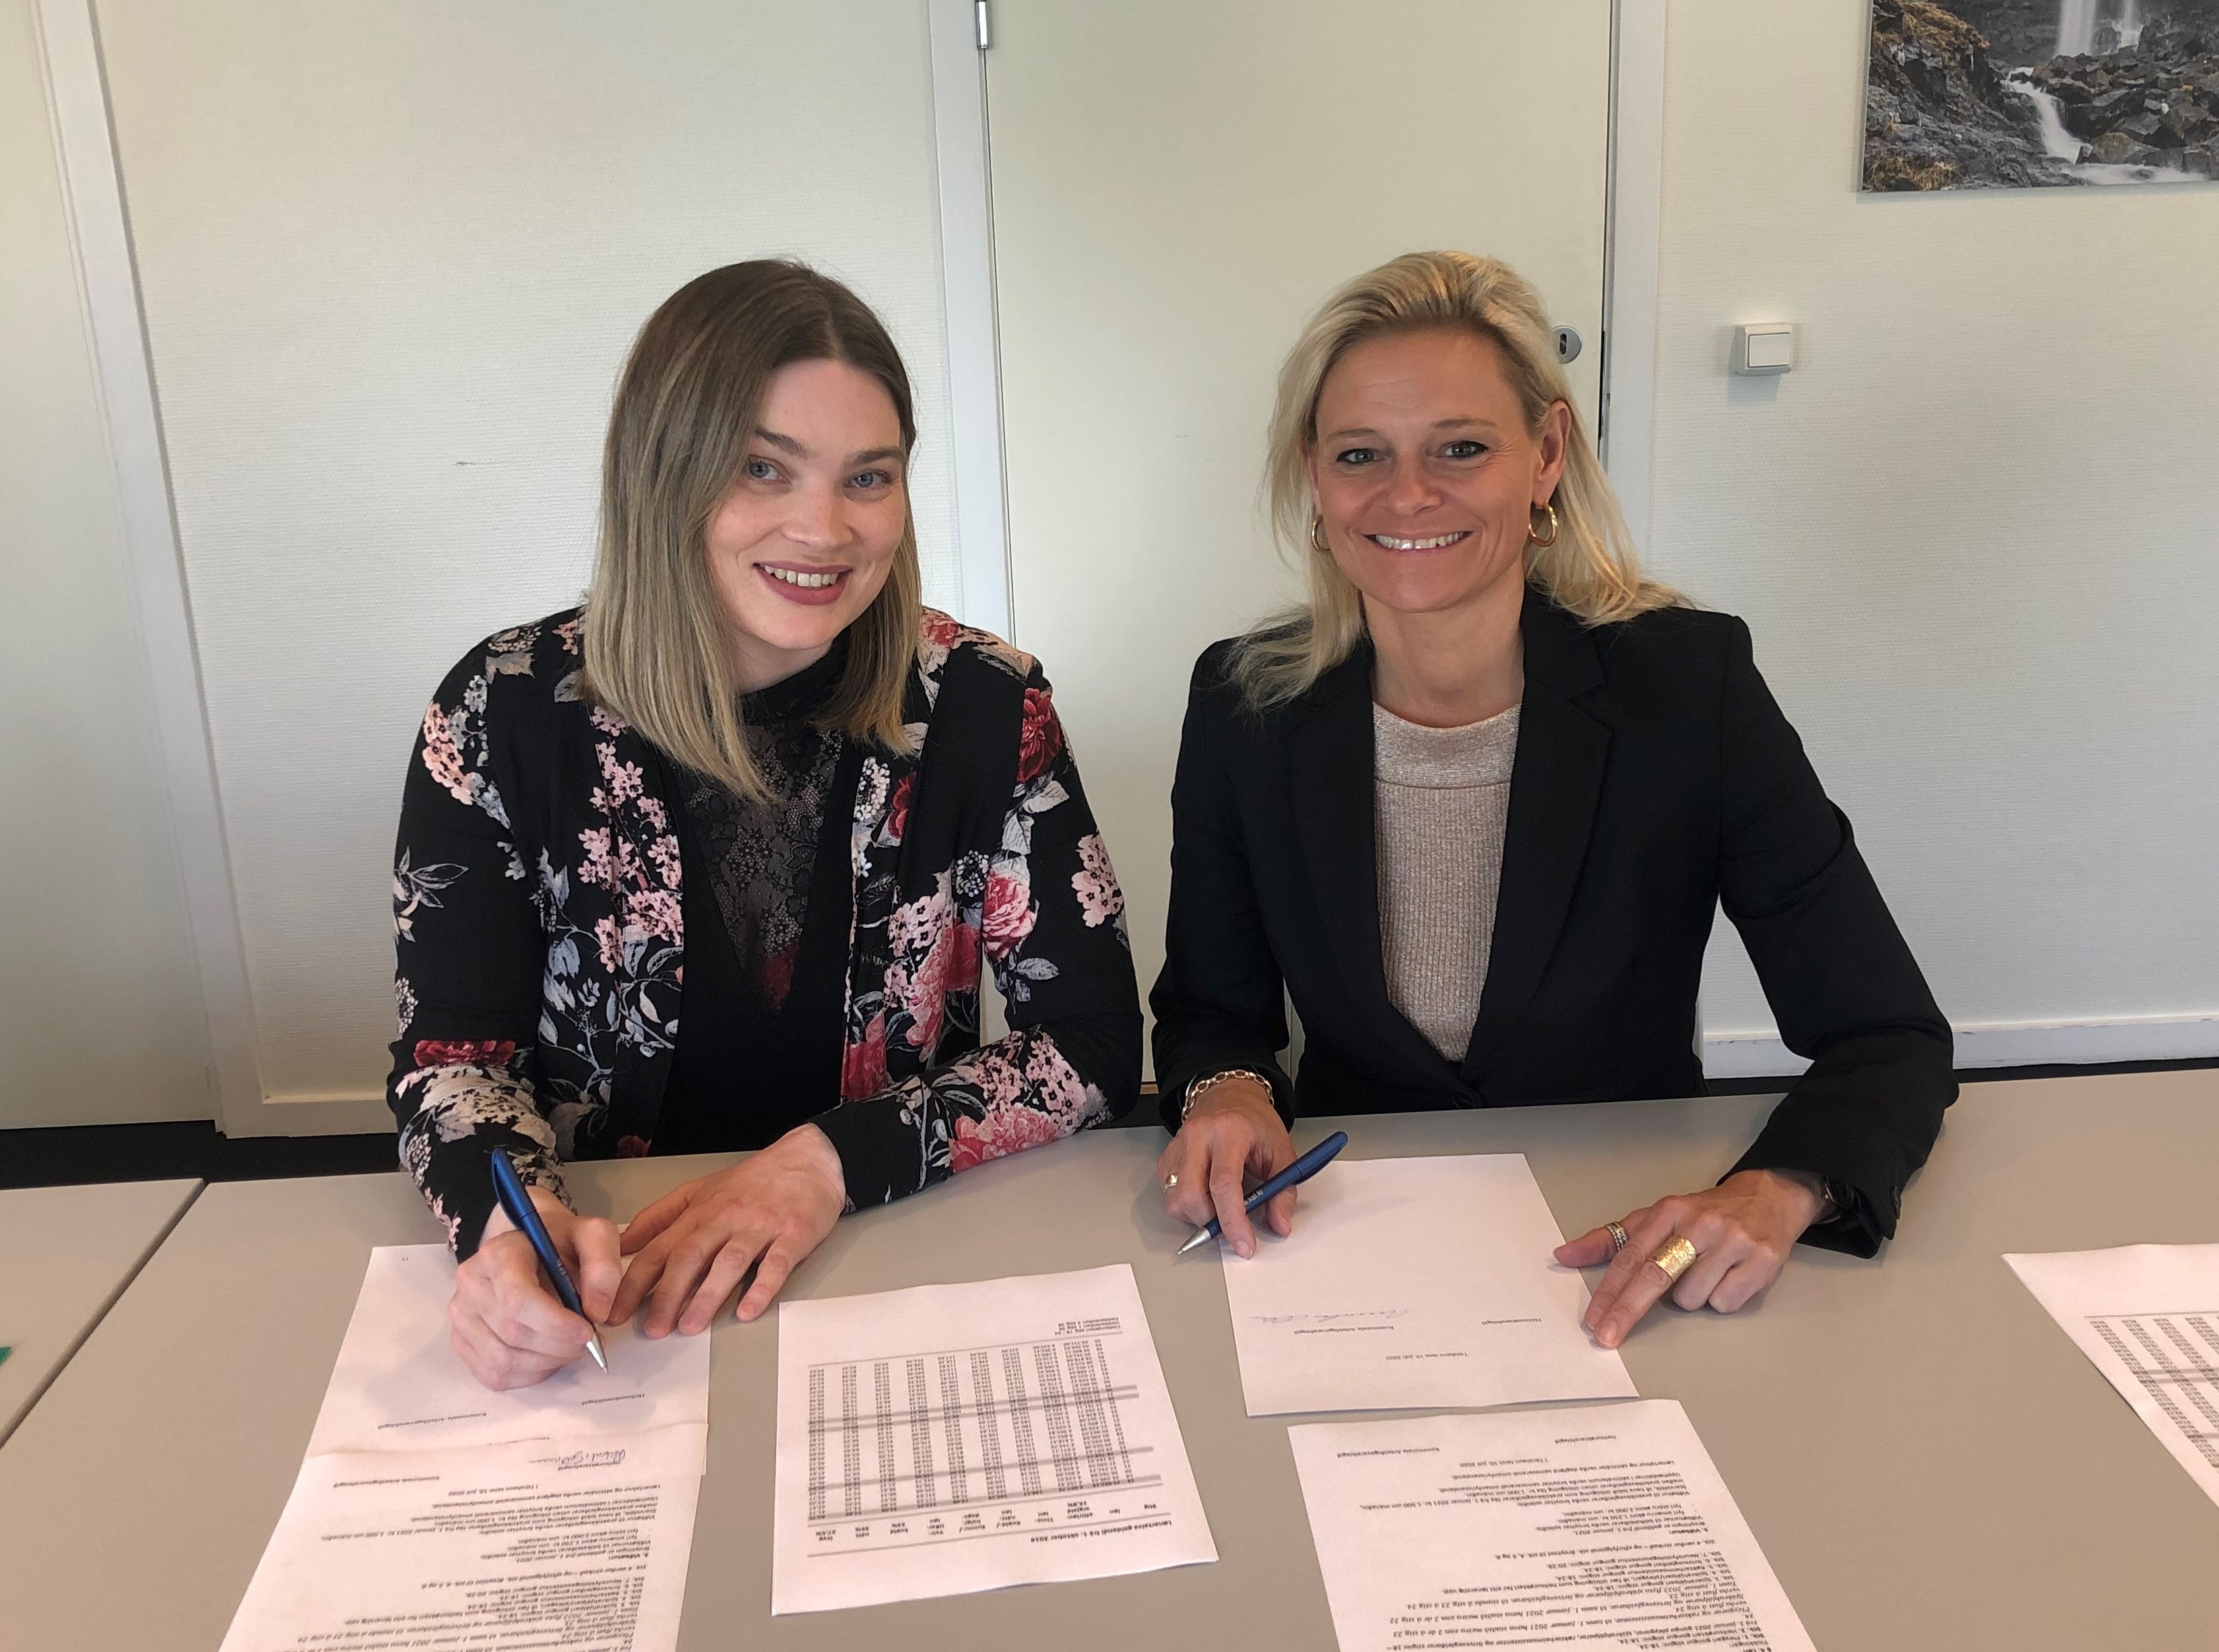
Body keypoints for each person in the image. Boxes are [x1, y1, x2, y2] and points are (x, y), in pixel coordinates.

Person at [1150, 251, 1954, 1349]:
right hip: (1343, 1236)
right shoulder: (1244, 703)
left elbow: (1888, 1033)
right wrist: (1231, 1088)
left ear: (1545, 456)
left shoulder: (1688, 688)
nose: (1406, 495)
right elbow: (1212, 1013)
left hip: (1624, 1234)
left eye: (1460, 448)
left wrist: (1777, 1189)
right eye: (1360, 454)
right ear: (1315, 478)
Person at [389, 260, 1140, 1389]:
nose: (824, 528)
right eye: (761, 468)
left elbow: (1090, 1042)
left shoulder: (984, 703)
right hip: (618, 1284)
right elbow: (455, 1060)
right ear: (662, 474)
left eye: (867, 477)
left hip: (885, 1246)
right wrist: (512, 1229)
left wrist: (827, 1164)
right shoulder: (501, 709)